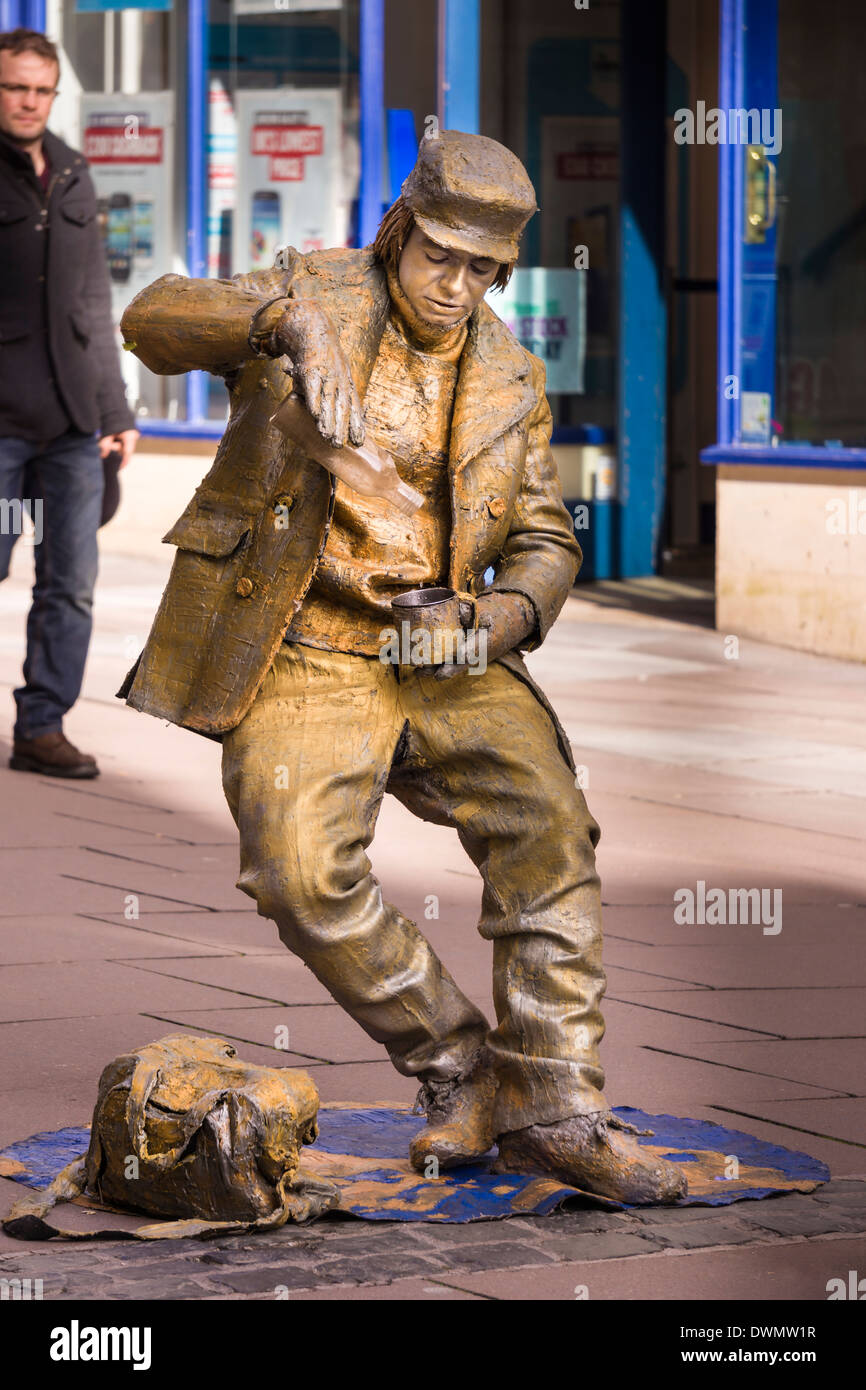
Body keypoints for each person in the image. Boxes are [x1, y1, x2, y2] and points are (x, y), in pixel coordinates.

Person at [118, 130, 686, 1205]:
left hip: (444, 645)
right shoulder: (307, 294)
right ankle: (459, 1065)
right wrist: (277, 325)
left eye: (482, 269)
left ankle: (555, 1106)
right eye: (440, 257)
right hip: (304, 639)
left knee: (548, 828)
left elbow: (544, 535)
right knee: (295, 869)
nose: (456, 286)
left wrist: (505, 611)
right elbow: (148, 318)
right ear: (397, 230)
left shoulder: (511, 373)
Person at [0, 27, 138, 778]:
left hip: (70, 425)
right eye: (15, 87)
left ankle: (41, 726)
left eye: (40, 89)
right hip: (0, 424)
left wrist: (115, 410)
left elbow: (93, 299)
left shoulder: (76, 173)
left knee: (71, 582)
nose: (28, 101)